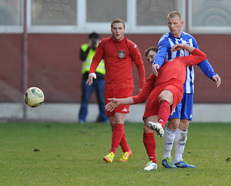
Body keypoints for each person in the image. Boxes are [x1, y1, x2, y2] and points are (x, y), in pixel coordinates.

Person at [105, 43, 207, 170]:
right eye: (148, 59)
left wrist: (184, 46)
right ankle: (153, 162)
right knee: (147, 126)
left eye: (152, 56)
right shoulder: (153, 78)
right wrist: (120, 102)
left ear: (160, 54)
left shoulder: (178, 60)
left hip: (173, 86)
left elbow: (202, 56)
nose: (151, 60)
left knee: (164, 95)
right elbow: (141, 97)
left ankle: (161, 123)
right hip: (157, 90)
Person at [152, 11, 221, 168]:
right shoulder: (165, 40)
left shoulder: (190, 40)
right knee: (174, 122)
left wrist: (212, 74)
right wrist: (157, 62)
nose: (172, 26)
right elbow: (161, 53)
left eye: (175, 23)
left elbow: (201, 59)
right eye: (169, 23)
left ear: (181, 23)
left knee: (184, 124)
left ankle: (178, 159)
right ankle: (166, 157)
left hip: (188, 88)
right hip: (173, 88)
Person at [86, 18, 146, 163]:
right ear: (111, 29)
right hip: (109, 87)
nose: (117, 31)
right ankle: (127, 150)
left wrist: (143, 86)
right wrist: (91, 72)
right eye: (114, 28)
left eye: (120, 28)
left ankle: (112, 152)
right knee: (112, 122)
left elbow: (140, 65)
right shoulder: (104, 43)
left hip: (125, 88)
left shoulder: (131, 46)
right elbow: (95, 58)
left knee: (119, 119)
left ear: (124, 30)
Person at [78, 32, 109, 123]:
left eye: (96, 40)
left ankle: (105, 119)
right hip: (87, 78)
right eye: (92, 40)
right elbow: (82, 58)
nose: (94, 41)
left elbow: (105, 58)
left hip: (100, 78)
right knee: (85, 99)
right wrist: (89, 47)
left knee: (102, 100)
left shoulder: (102, 48)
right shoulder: (84, 47)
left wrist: (97, 48)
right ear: (89, 40)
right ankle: (82, 119)